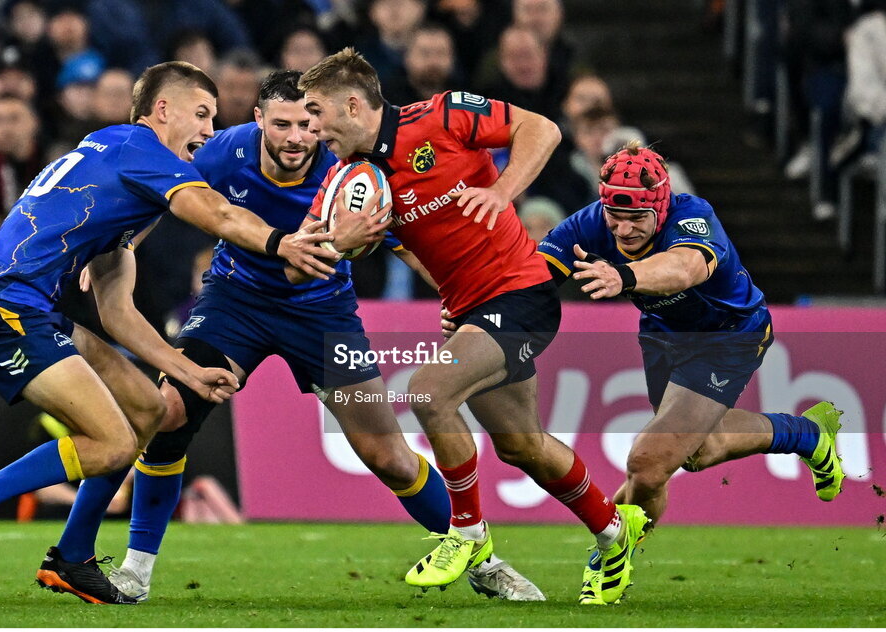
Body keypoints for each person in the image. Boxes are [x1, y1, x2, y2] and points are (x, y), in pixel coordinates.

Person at [62, 70, 543, 604]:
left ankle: (484, 562)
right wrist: (116, 246)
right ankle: (135, 569)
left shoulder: (354, 170)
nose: (297, 137)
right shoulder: (222, 153)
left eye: (307, 124)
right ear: (258, 120)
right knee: (170, 411)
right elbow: (157, 194)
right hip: (235, 302)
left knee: (388, 455)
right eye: (283, 124)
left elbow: (406, 243)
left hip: (323, 313)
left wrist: (457, 297)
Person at [0, 61, 339, 604]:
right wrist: (282, 242)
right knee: (114, 444)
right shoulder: (141, 152)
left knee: (149, 409)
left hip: (33, 309)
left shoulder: (119, 178)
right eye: (202, 114)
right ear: (162, 111)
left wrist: (189, 371)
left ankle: (71, 559)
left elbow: (117, 314)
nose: (210, 131)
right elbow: (217, 212)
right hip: (4, 309)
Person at [297, 48, 645, 603]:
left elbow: (543, 129)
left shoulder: (441, 115)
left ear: (355, 103)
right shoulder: (348, 181)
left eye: (316, 112)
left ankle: (467, 533)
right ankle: (612, 529)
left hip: (521, 291)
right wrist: (343, 243)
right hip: (467, 311)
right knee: (522, 445)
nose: (311, 128)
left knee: (428, 391)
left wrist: (501, 192)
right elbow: (308, 248)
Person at [535, 141, 844, 604]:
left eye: (637, 218)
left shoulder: (693, 215)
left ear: (661, 207)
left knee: (647, 459)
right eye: (614, 215)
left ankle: (613, 554)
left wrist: (626, 277)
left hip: (728, 335)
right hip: (662, 334)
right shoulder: (590, 222)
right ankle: (806, 434)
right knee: (698, 451)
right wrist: (475, 314)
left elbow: (685, 268)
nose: (622, 228)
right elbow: (530, 278)